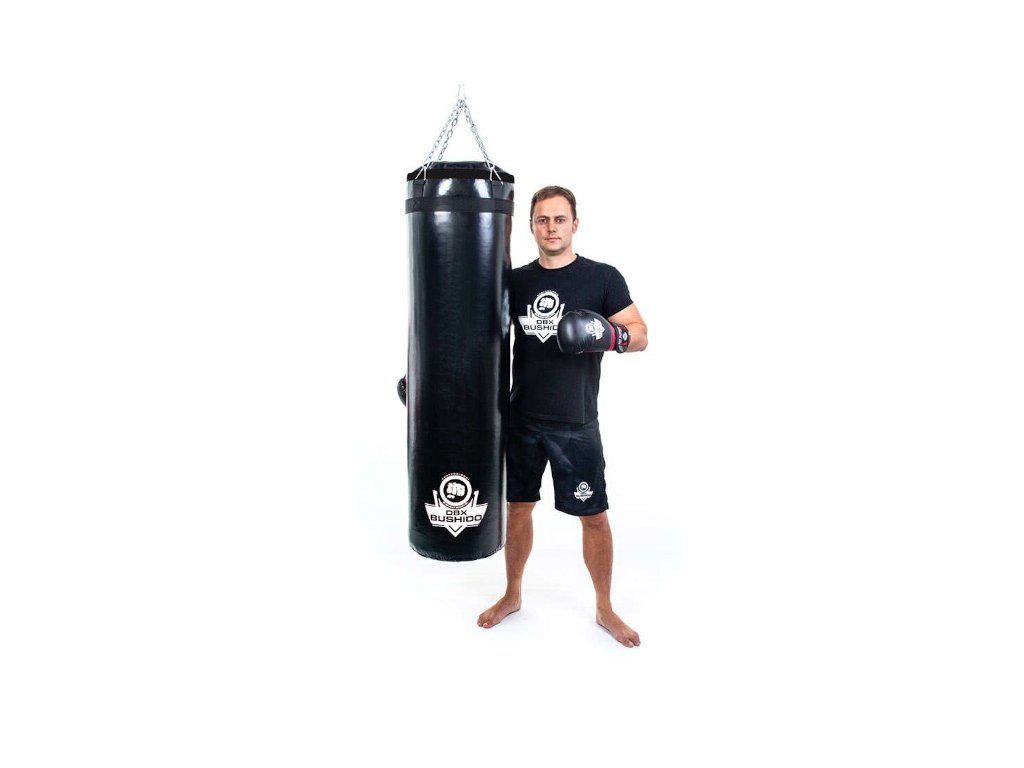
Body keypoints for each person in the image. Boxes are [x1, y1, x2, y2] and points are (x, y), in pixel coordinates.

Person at [477, 185, 649, 648]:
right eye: (542, 220)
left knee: (593, 516)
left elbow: (640, 333)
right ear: (531, 226)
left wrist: (610, 335)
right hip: (522, 418)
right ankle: (512, 594)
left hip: (577, 422)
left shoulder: (602, 277)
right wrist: (439, 380)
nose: (551, 228)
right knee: (517, 509)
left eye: (559, 219)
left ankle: (605, 607)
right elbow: (478, 335)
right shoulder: (514, 281)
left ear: (575, 224)